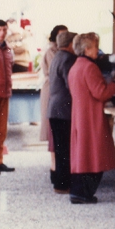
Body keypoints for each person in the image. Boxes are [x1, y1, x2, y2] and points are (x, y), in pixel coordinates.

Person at [67, 32, 115, 204]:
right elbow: (101, 92)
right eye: (95, 46)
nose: (97, 50)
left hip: (80, 115)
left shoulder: (76, 66)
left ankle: (79, 192)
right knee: (93, 156)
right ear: (86, 49)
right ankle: (83, 193)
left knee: (82, 155)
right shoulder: (90, 67)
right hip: (91, 116)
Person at [47, 30, 78, 194]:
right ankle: (63, 184)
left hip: (55, 108)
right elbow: (70, 83)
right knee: (64, 147)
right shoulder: (68, 59)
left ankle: (60, 182)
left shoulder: (57, 57)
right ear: (71, 44)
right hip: (64, 108)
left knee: (60, 147)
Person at [40, 24, 68, 183]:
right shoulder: (53, 52)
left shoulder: (58, 52)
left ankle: (57, 169)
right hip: (52, 92)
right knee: (54, 134)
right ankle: (54, 168)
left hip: (55, 92)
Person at [0, 19, 14, 175]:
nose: (2, 32)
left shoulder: (7, 48)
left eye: (4, 29)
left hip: (4, 93)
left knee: (1, 130)